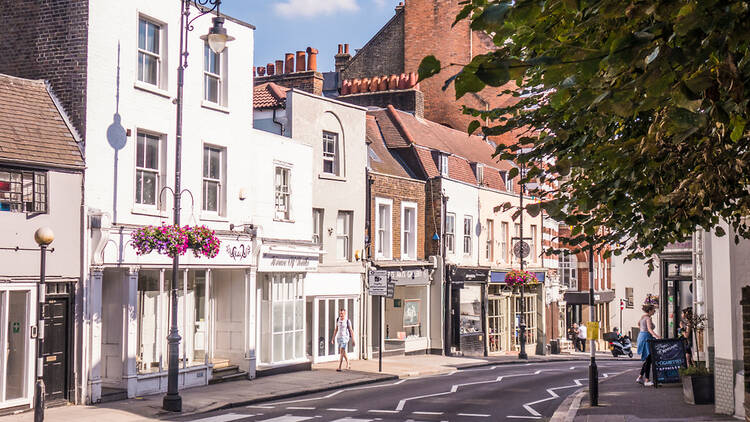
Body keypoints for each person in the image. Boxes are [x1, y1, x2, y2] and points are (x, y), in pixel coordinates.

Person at [636, 304, 660, 386]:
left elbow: (638, 324)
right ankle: (646, 380)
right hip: (646, 338)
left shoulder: (643, 317)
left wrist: (642, 331)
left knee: (648, 359)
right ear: (649, 311)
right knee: (649, 358)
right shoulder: (648, 318)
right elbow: (649, 329)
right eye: (653, 310)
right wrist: (657, 336)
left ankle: (640, 377)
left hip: (641, 336)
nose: (654, 311)